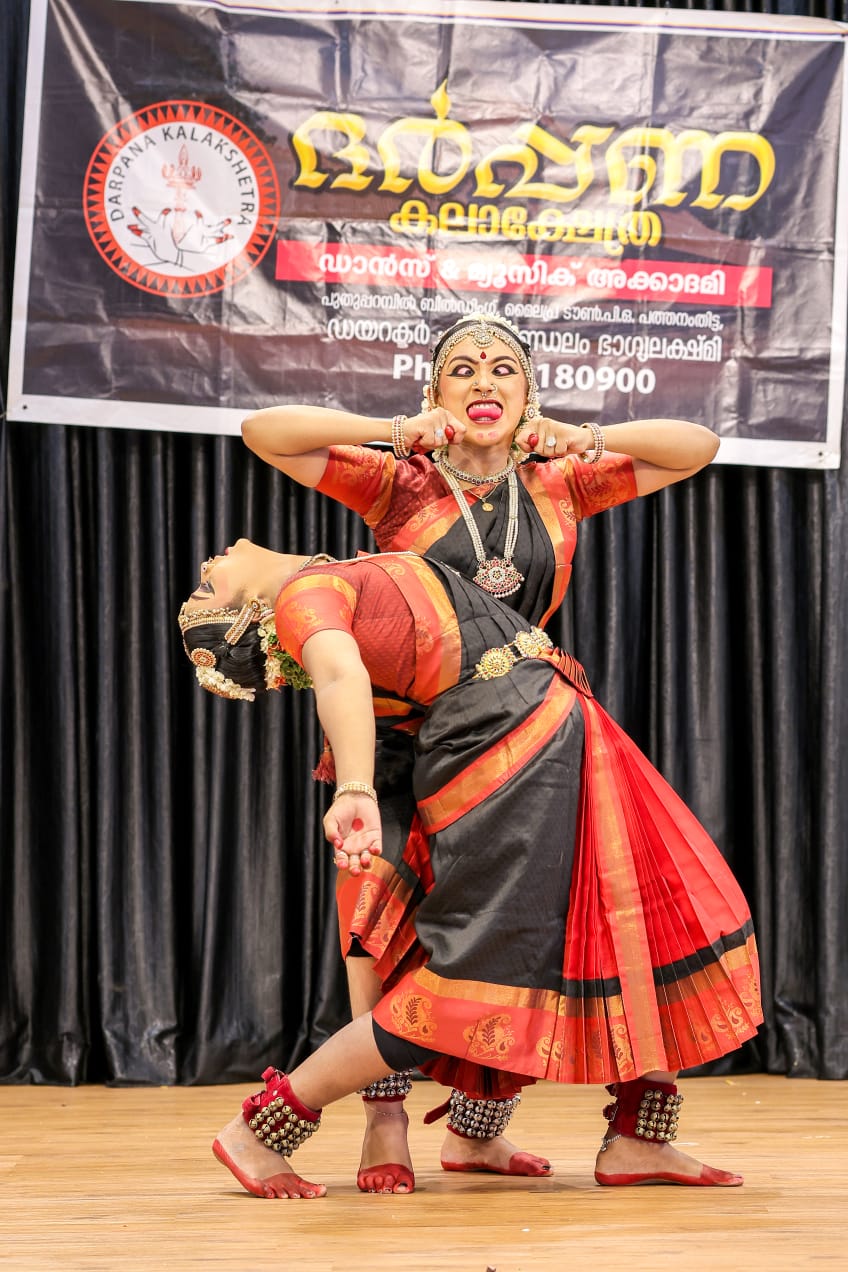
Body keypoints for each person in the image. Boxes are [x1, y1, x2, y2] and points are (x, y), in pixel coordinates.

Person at [239, 310, 724, 1189]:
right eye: (461, 369)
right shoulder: (398, 483)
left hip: (513, 732)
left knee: (531, 926)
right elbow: (263, 432)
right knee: (377, 927)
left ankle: (477, 1131)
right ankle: (384, 1123)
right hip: (400, 737)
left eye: (504, 368)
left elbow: (698, 447)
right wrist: (395, 430)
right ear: (436, 391)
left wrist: (584, 436)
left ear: (528, 392)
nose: (484, 381)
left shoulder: (562, 483)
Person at [178, 539, 763, 1199]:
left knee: (641, 922)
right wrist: (355, 789)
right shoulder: (301, 599)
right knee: (476, 979)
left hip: (547, 729)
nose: (208, 565)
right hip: (507, 750)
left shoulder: (343, 576)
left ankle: (634, 1135)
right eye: (207, 589)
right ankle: (261, 1129)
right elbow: (341, 676)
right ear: (248, 614)